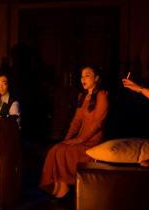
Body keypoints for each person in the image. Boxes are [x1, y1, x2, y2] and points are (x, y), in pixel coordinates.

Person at [40, 66, 108, 198]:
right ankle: (60, 188)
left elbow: (97, 123)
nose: (83, 79)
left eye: (87, 75)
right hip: (81, 138)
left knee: (63, 151)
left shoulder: (102, 95)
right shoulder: (83, 96)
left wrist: (79, 140)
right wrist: (67, 139)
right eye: (82, 76)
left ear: (96, 78)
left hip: (92, 141)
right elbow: (76, 121)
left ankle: (65, 187)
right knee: (56, 148)